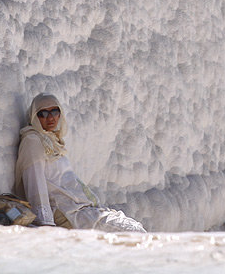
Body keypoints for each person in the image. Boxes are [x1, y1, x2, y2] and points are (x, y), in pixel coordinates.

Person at [15, 93, 147, 233]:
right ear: (35, 116)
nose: (50, 117)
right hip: (66, 212)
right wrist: (45, 223)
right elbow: (35, 183)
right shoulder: (33, 141)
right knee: (133, 232)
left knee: (134, 229)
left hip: (81, 208)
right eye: (43, 113)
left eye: (55, 111)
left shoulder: (51, 141)